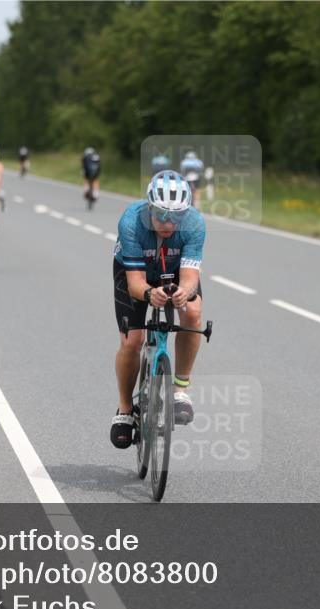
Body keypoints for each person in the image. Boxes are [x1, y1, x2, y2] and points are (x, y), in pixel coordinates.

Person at [110, 170, 206, 448]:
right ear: (149, 207)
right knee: (133, 340)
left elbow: (189, 277)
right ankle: (126, 410)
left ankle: (180, 389)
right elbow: (135, 283)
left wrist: (183, 294)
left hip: (174, 269)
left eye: (176, 216)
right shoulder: (131, 222)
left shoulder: (195, 224)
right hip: (134, 271)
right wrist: (150, 293)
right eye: (161, 214)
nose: (168, 222)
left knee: (192, 313)